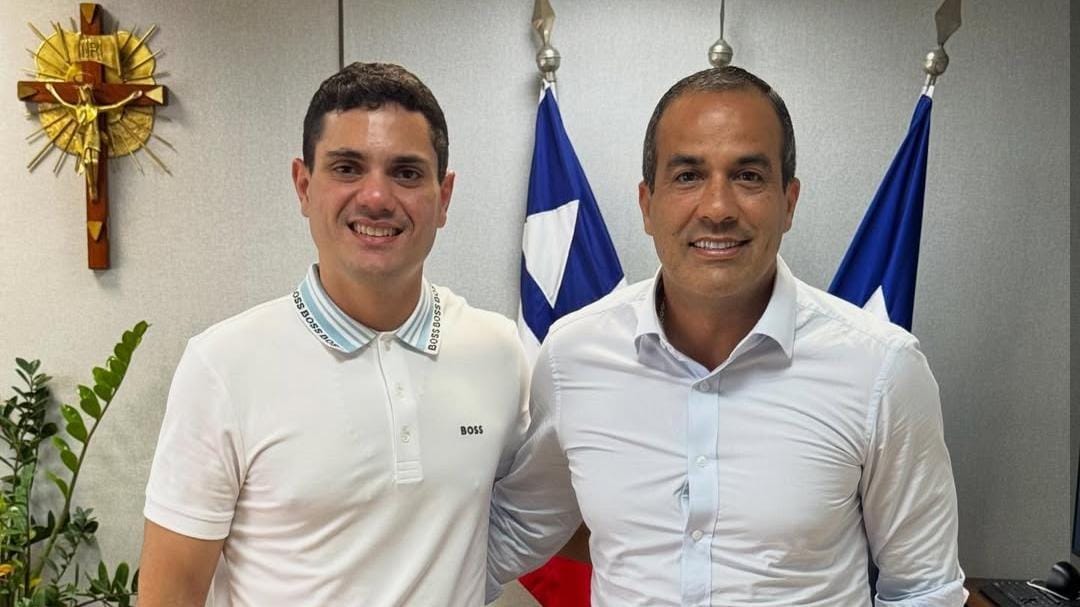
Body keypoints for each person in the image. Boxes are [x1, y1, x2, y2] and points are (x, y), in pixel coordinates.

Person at [487, 66, 965, 606]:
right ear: (647, 205)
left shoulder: (882, 369)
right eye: (688, 176)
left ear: (789, 202)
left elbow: (924, 588)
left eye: (748, 176)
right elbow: (519, 529)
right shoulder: (573, 357)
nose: (717, 208)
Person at [139, 62, 528, 606]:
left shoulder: (499, 353)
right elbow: (171, 593)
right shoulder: (223, 365)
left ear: (444, 197)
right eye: (347, 168)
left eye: (407, 173)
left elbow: (555, 509)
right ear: (304, 186)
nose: (376, 197)